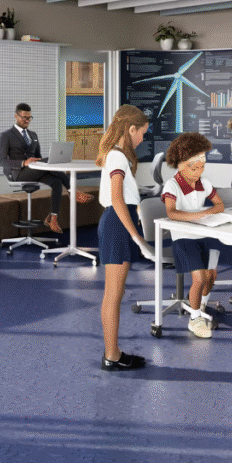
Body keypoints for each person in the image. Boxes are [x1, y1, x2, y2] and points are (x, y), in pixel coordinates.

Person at [96, 104, 152, 371]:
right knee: (113, 294)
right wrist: (137, 237)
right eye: (141, 133)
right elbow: (117, 199)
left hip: (117, 222)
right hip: (118, 225)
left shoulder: (115, 156)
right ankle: (112, 355)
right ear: (130, 129)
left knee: (114, 294)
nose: (142, 139)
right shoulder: (117, 158)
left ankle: (113, 351)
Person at [161, 132, 227, 340]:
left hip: (202, 233)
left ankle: (201, 304)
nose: (199, 172)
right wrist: (200, 214)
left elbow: (220, 204)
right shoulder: (172, 185)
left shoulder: (203, 182)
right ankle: (194, 318)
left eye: (202, 167)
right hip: (182, 237)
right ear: (181, 165)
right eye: (194, 168)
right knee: (198, 278)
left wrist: (208, 214)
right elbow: (171, 213)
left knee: (211, 275)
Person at [0, 102, 90, 234]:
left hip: (34, 171)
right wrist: (24, 163)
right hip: (18, 173)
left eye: (29, 117)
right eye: (24, 117)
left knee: (56, 181)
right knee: (50, 161)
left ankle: (52, 218)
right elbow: (0, 161)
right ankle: (72, 191)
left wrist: (41, 161)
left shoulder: (33, 135)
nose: (27, 120)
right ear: (16, 116)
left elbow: (38, 157)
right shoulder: (6, 136)